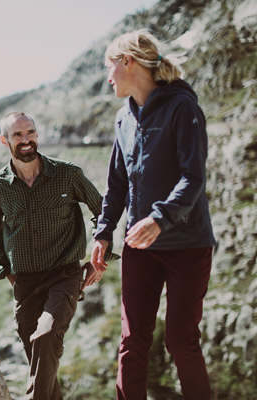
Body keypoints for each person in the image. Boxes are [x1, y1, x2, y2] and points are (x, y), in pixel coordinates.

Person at [90, 29, 217, 399]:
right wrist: (103, 232)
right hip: (140, 247)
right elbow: (116, 184)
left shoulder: (183, 108)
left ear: (128, 62)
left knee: (181, 341)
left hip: (187, 245)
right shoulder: (123, 118)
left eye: (109, 66)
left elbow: (194, 177)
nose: (108, 76)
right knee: (132, 343)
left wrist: (160, 218)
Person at [0, 111, 118, 400]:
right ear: (4, 140)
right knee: (39, 359)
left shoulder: (67, 174)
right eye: (17, 134)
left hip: (65, 275)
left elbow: (102, 209)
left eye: (30, 132)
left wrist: (101, 252)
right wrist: (7, 272)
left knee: (45, 337)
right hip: (24, 283)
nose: (26, 139)